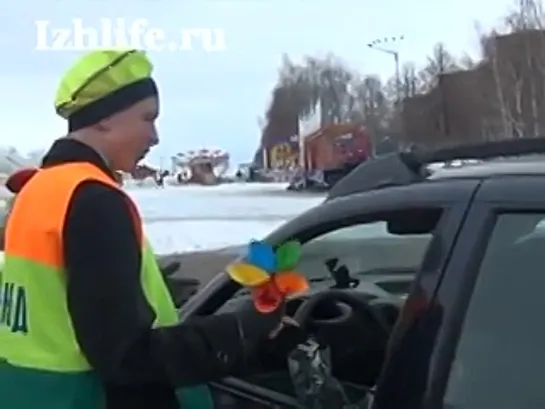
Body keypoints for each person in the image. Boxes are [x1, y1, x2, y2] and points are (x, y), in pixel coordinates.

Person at [0, 50, 304, 409]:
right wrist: (242, 330)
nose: (155, 136)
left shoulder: (39, 188)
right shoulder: (93, 198)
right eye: (148, 118)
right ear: (103, 120)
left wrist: (141, 287)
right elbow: (127, 358)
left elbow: (59, 296)